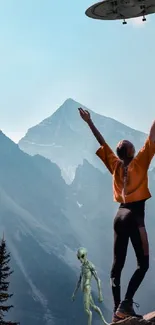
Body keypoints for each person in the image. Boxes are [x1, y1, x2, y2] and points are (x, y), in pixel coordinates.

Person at [78, 107, 155, 322]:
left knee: (117, 266)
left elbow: (102, 142)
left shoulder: (115, 165)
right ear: (131, 152)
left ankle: (116, 313)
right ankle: (126, 303)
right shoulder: (140, 162)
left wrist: (89, 122)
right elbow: (153, 134)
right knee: (144, 264)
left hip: (119, 217)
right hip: (135, 217)